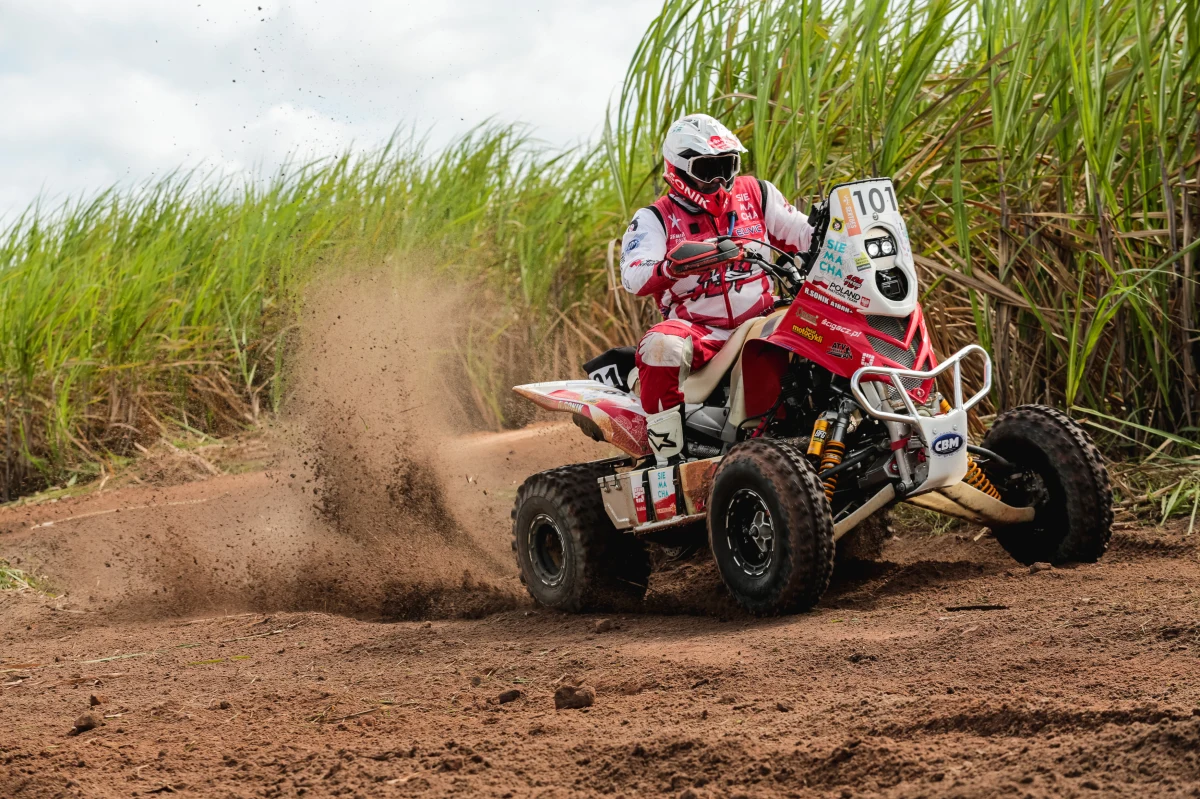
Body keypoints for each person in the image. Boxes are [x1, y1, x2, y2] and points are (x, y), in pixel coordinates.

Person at [620, 113, 815, 464]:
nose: (720, 179)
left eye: (726, 165)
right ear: (678, 169)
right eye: (707, 169)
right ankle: (667, 459)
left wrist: (838, 230)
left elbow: (803, 233)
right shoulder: (655, 217)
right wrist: (674, 266)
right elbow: (633, 276)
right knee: (659, 346)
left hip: (764, 316)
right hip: (700, 329)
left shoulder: (757, 193)